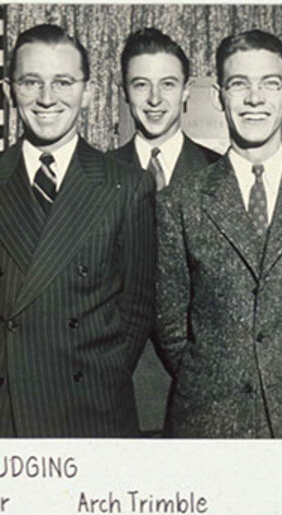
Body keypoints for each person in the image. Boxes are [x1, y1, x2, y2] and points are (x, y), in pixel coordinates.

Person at [0, 24, 156, 437]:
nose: (46, 99)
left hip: (91, 407)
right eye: (30, 82)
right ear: (8, 89)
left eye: (63, 82)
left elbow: (137, 310)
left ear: (88, 92)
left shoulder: (127, 186)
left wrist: (96, 371)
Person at [155, 29, 282, 438]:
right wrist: (220, 374)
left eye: (269, 84)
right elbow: (172, 327)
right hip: (209, 420)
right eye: (239, 85)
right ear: (218, 96)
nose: (254, 99)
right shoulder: (179, 201)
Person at [107, 27, 220, 434]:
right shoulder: (94, 178)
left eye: (168, 84)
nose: (155, 100)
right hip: (119, 388)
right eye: (142, 84)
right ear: (124, 91)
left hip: (201, 391)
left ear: (187, 90)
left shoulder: (221, 174)